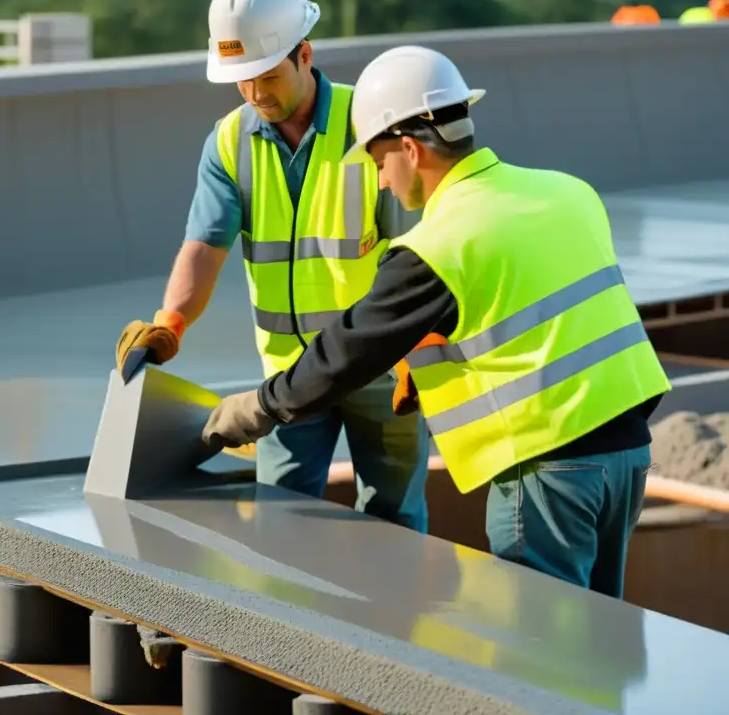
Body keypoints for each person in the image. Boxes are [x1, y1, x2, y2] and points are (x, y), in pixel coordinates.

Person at [201, 44, 672, 599]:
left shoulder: (436, 247)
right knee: (598, 642)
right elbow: (532, 311)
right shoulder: (569, 193)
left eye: (378, 163)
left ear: (409, 149)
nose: (380, 182)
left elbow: (349, 350)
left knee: (541, 660)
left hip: (546, 475)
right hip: (629, 459)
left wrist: (258, 407)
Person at [115, 0, 430, 531]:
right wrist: (172, 322)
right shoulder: (230, 143)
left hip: (383, 367)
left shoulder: (370, 124)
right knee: (280, 521)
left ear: (303, 54)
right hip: (292, 376)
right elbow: (204, 247)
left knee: (394, 518)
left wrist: (421, 347)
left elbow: (418, 251)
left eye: (266, 76)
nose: (255, 93)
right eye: (242, 80)